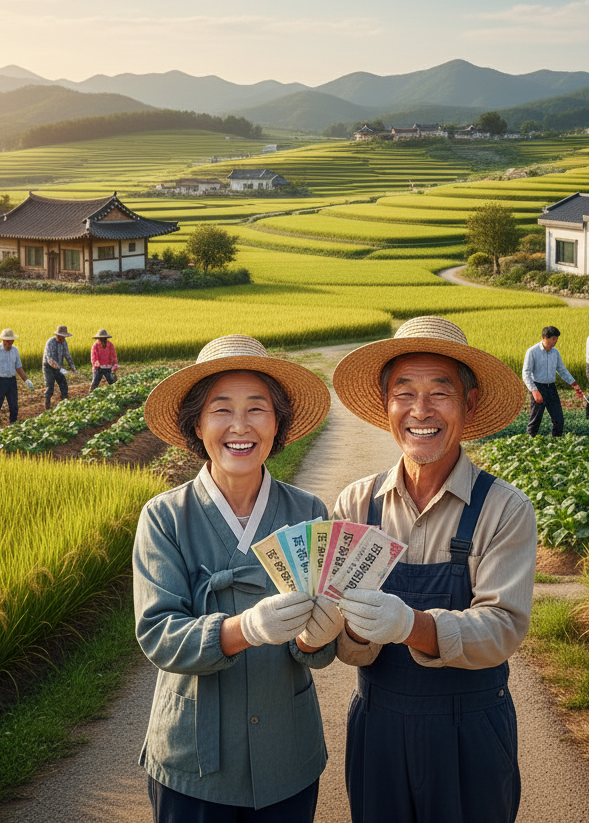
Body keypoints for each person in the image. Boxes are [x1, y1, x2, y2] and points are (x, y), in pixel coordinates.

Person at [330, 316, 538, 823]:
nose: (420, 410)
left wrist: (410, 625)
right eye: (404, 393)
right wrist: (342, 630)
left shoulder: (504, 509)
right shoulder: (356, 504)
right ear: (386, 405)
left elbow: (503, 628)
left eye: (440, 393)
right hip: (378, 724)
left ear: (470, 404)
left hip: (471, 728)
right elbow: (344, 642)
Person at [134, 334, 340, 823]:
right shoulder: (165, 517)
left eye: (257, 409)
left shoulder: (308, 512)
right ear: (197, 424)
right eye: (221, 409)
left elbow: (319, 652)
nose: (240, 426)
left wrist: (318, 637)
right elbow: (159, 634)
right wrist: (245, 629)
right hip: (192, 759)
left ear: (278, 423)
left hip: (287, 753)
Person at [522, 325, 585, 437]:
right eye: (553, 339)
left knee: (558, 419)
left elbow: (562, 370)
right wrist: (534, 391)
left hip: (551, 388)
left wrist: (574, 384)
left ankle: (556, 441)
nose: (556, 341)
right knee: (535, 419)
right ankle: (529, 441)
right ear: (545, 338)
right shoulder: (532, 352)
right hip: (538, 387)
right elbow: (526, 373)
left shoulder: (555, 352)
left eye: (556, 339)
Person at [0, 328, 33, 422]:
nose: (10, 343)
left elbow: (19, 367)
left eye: (11, 341)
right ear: (3, 340)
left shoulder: (15, 350)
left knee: (14, 405)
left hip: (11, 381)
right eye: (8, 341)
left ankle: (13, 424)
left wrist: (26, 380)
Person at [42, 325, 76, 410]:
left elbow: (67, 355)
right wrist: (56, 365)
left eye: (63, 337)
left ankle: (65, 404)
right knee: (50, 387)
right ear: (57, 335)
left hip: (59, 367)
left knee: (64, 385)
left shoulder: (64, 343)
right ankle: (47, 407)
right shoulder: (50, 342)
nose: (62, 339)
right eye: (60, 337)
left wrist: (73, 368)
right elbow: (49, 358)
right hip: (48, 367)